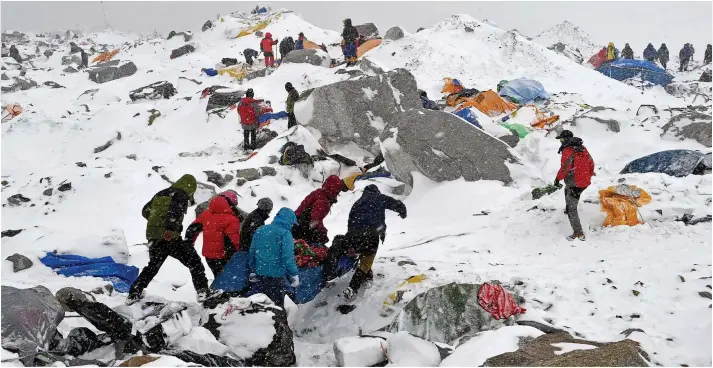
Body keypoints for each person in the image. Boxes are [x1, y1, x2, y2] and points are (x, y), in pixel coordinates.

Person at [127, 175, 210, 305]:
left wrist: (157, 222)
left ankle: (134, 293)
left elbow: (145, 211)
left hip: (153, 236)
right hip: (169, 236)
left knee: (153, 265)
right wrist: (169, 229)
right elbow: (173, 212)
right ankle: (202, 291)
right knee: (194, 261)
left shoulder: (161, 193)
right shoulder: (180, 194)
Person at [326, 185, 406, 300]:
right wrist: (402, 209)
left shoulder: (357, 203)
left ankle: (367, 275)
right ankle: (352, 288)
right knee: (366, 262)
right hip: (371, 236)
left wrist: (352, 239)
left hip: (354, 236)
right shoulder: (377, 198)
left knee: (362, 256)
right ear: (376, 191)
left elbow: (351, 221)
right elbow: (392, 203)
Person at [248, 208, 299, 308]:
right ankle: (277, 321)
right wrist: (294, 274)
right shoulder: (285, 234)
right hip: (276, 275)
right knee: (276, 304)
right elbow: (287, 258)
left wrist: (252, 269)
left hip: (260, 273)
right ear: (289, 221)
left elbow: (252, 252)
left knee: (262, 303)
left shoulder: (261, 229)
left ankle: (262, 321)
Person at [185, 190, 241, 277]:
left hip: (209, 256)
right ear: (231, 203)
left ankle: (217, 289)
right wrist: (234, 259)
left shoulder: (206, 214)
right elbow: (232, 242)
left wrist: (189, 244)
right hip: (223, 257)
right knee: (226, 280)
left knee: (218, 277)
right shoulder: (232, 220)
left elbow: (192, 229)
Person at [554, 130, 595, 241]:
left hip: (575, 182)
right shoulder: (582, 148)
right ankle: (568, 208)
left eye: (562, 139)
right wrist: (590, 174)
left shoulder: (568, 150)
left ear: (566, 139)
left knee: (572, 207)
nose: (561, 142)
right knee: (569, 192)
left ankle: (578, 233)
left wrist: (558, 178)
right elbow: (591, 162)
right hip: (584, 181)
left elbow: (565, 168)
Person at [292, 175, 346, 245]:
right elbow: (314, 220)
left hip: (296, 220)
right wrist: (322, 232)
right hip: (302, 225)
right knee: (316, 242)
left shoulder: (319, 192)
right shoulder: (323, 201)